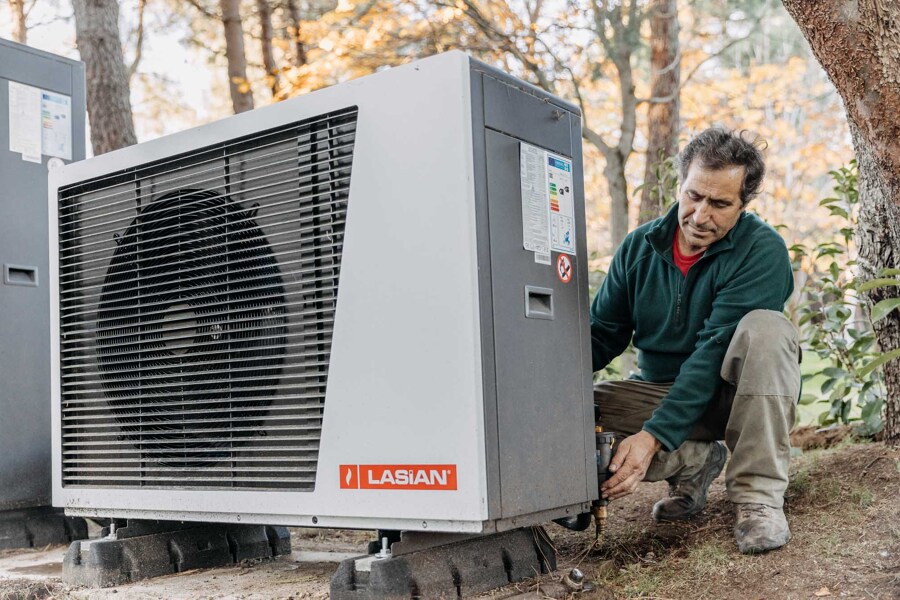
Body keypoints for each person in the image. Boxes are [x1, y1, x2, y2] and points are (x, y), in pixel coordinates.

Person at [590, 128, 800, 554]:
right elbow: (601, 334)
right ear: (680, 185)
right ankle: (697, 461)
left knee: (768, 329)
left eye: (720, 204)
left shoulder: (762, 251)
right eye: (694, 197)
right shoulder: (639, 247)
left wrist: (651, 437)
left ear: (744, 204)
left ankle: (758, 497)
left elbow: (711, 356)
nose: (701, 216)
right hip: (660, 392)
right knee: (575, 413)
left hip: (735, 397)